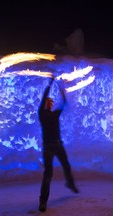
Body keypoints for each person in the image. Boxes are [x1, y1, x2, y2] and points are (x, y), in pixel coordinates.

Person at [38, 76, 79, 212]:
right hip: (48, 147)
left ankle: (70, 183)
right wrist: (50, 84)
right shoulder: (41, 114)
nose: (49, 104)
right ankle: (43, 202)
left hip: (58, 144)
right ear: (45, 104)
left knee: (66, 165)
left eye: (51, 102)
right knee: (48, 174)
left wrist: (61, 89)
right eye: (48, 102)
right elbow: (44, 97)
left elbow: (65, 103)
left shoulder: (55, 114)